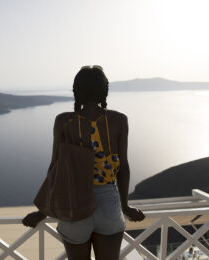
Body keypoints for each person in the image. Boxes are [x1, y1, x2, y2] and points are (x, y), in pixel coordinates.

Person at [22, 65, 145, 260]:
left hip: (73, 204)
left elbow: (55, 168)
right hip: (108, 203)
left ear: (76, 90)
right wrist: (125, 207)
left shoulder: (63, 121)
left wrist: (42, 211)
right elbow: (123, 167)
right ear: (104, 91)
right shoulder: (119, 120)